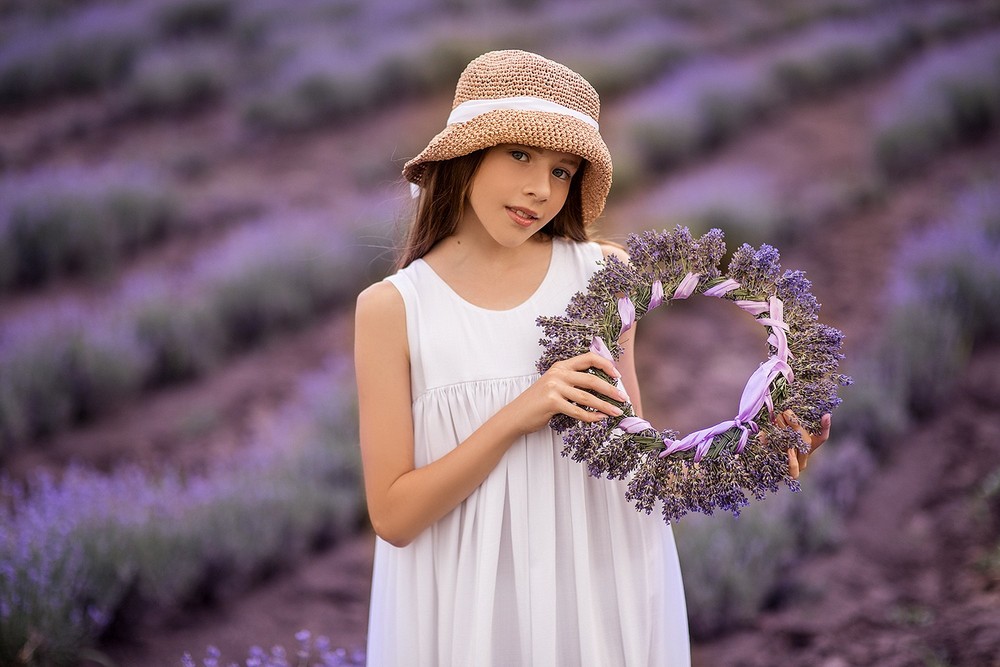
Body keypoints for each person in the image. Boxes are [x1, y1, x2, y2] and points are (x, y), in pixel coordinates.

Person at [354, 49, 828, 666]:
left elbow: (636, 464)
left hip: (599, 579)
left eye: (562, 171)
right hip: (468, 600)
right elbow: (393, 515)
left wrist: (765, 446)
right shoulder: (395, 307)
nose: (539, 188)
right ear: (465, 155)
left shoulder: (603, 277)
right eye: (519, 155)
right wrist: (517, 414)